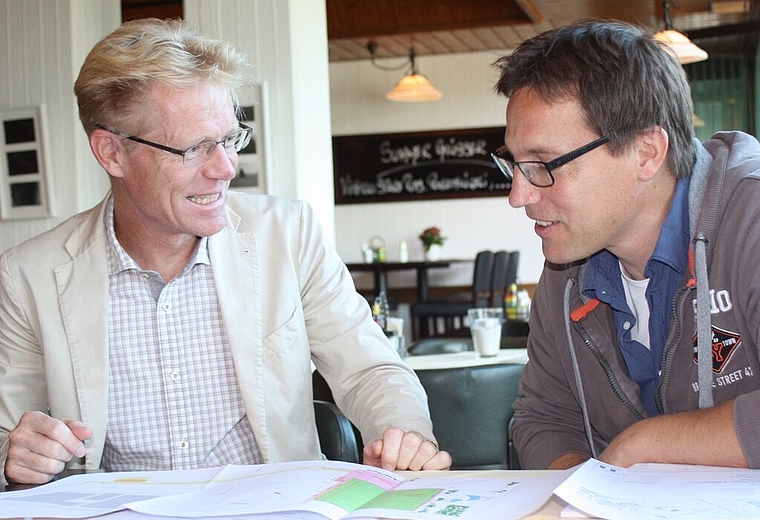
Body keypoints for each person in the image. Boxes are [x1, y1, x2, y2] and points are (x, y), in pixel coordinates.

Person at [0, 18, 450, 486]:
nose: (226, 168)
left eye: (230, 139)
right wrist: (14, 454)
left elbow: (370, 370)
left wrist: (406, 435)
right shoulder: (28, 274)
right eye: (194, 148)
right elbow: (6, 433)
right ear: (111, 152)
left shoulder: (288, 234)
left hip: (275, 519)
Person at [491, 19, 760, 470]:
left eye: (543, 164)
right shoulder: (566, 269)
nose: (519, 195)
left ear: (646, 152)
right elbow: (543, 420)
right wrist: (593, 500)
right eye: (513, 164)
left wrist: (645, 445)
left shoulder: (749, 219)